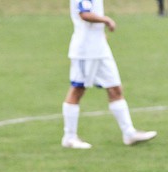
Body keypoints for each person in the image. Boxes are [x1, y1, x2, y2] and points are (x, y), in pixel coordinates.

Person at [61, 0, 157, 149]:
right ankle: (69, 137)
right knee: (77, 90)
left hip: (100, 49)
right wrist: (106, 20)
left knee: (115, 89)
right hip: (86, 50)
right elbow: (84, 14)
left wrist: (100, 33)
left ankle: (129, 133)